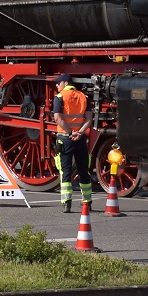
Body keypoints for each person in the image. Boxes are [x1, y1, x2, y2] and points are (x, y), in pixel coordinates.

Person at [52, 72, 94, 213]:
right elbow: (89, 118)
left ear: (65, 83)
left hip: (65, 138)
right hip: (80, 139)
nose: (57, 85)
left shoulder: (59, 97)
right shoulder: (84, 97)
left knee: (66, 171)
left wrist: (70, 133)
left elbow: (58, 118)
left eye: (58, 83)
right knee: (84, 170)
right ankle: (87, 202)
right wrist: (80, 132)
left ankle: (67, 203)